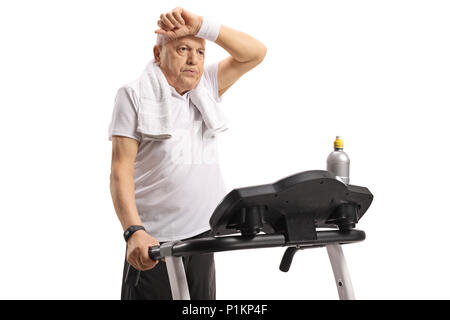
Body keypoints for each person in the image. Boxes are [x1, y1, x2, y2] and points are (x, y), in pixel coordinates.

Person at [108, 7, 266, 300]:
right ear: (158, 54)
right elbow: (120, 169)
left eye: (200, 51)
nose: (194, 59)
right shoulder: (132, 94)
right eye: (183, 48)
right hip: (155, 242)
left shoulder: (205, 86)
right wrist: (133, 232)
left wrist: (204, 25)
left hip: (203, 235)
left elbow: (255, 53)